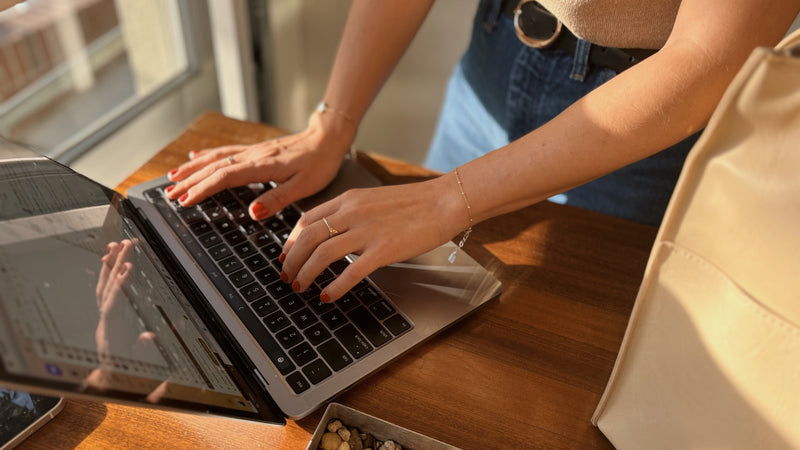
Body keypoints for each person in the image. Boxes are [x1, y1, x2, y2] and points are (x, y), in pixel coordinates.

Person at [164, 0, 800, 304]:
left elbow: (705, 61)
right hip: (499, 55)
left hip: (651, 125)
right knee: (410, 314)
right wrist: (333, 121)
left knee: (552, 379)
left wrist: (448, 197)